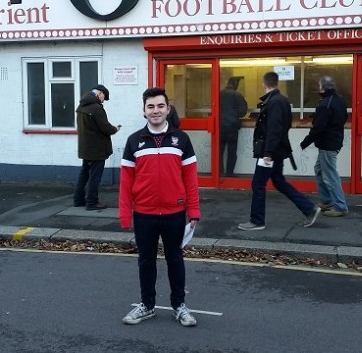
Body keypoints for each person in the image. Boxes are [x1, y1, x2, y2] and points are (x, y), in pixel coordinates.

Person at [119, 87, 200, 327]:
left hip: (175, 213)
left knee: (175, 259)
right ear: (144, 110)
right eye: (151, 106)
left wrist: (194, 211)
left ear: (168, 109)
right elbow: (126, 182)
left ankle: (179, 306)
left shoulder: (181, 139)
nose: (156, 111)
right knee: (146, 261)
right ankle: (147, 305)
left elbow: (191, 179)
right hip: (144, 214)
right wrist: (125, 214)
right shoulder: (134, 141)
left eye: (160, 106)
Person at [238, 72, 321, 231]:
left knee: (258, 184)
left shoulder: (274, 102)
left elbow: (274, 129)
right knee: (279, 182)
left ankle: (257, 221)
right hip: (277, 150)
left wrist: (268, 153)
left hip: (269, 152)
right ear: (277, 83)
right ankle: (309, 209)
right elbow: (284, 126)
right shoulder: (281, 101)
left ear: (264, 84)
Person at [300, 76, 349, 217]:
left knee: (330, 175)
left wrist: (305, 142)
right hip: (335, 141)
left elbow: (318, 127)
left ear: (323, 88)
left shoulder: (325, 104)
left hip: (328, 143)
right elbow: (343, 118)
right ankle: (327, 201)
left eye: (319, 86)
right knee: (320, 169)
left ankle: (340, 206)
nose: (318, 88)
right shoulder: (339, 100)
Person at [74, 84, 120, 211]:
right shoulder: (96, 108)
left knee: (84, 173)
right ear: (100, 93)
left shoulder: (81, 106)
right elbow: (105, 127)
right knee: (95, 176)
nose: (103, 100)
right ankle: (92, 202)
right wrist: (115, 129)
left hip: (85, 147)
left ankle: (78, 200)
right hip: (97, 149)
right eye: (103, 97)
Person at [219, 78, 248, 176]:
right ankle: (229, 173)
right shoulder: (237, 95)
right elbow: (243, 111)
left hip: (220, 127)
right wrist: (235, 115)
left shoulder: (219, 94)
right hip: (232, 127)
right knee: (232, 151)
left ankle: (219, 173)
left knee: (219, 151)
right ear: (235, 85)